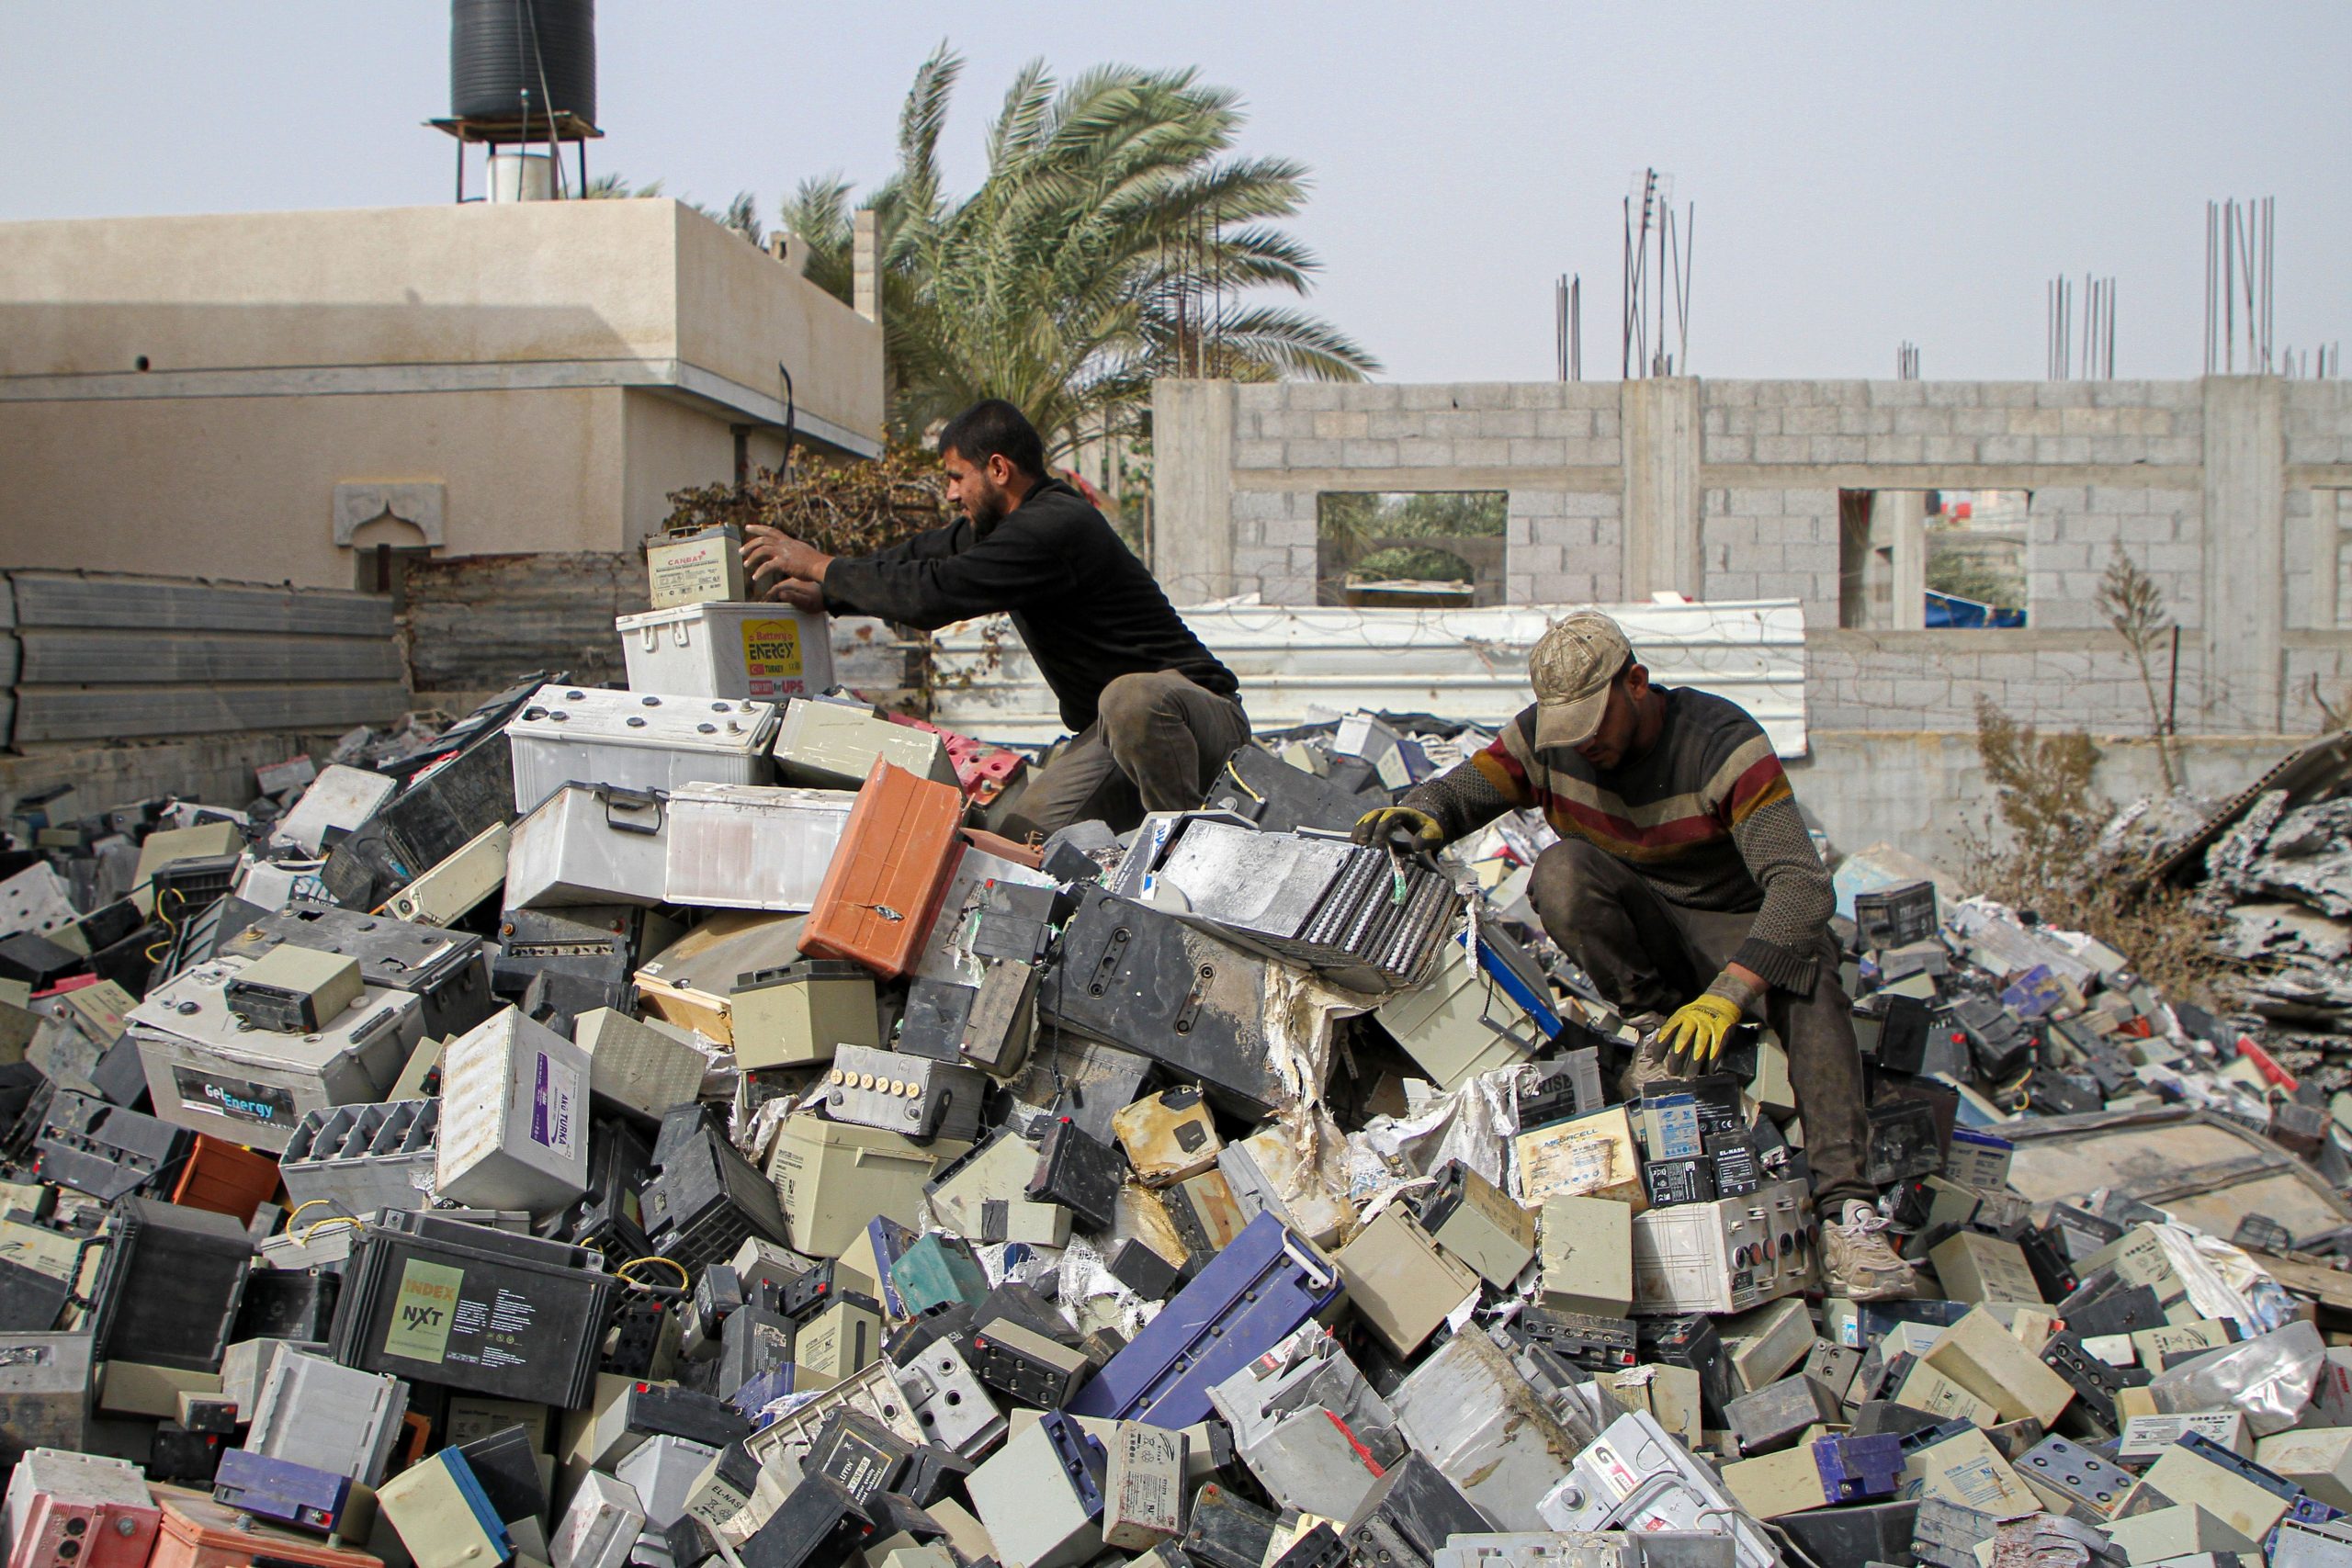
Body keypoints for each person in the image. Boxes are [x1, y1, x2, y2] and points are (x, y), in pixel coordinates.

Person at [1353, 610, 1913, 1301]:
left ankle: (1847, 1212)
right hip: (1643, 921)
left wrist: (1732, 991)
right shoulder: (1547, 740)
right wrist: (1425, 811)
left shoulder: (1724, 745)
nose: (1583, 749)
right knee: (1559, 873)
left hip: (1734, 924)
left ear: (1638, 683)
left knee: (1812, 976)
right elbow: (1467, 788)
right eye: (1568, 734)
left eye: (1594, 728)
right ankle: (1654, 1029)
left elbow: (1802, 886)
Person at [742, 399, 1248, 837]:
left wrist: (819, 564)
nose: (950, 494)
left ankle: (1191, 859)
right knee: (1019, 840)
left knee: (1131, 696)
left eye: (957, 477)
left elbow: (933, 596)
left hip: (1199, 720)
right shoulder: (1002, 527)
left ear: (999, 469)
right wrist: (828, 593)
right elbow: (918, 560)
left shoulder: (1053, 528)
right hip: (1112, 735)